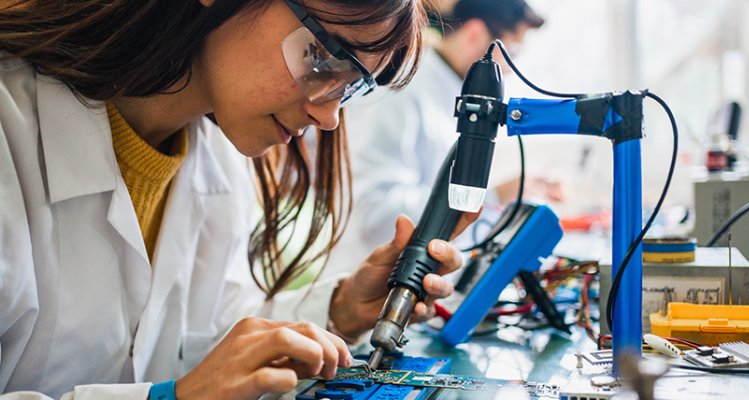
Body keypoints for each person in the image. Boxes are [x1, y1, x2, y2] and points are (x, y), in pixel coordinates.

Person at [0, 0, 478, 399]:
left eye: (349, 87)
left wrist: (342, 309)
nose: (329, 116)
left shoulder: (217, 167)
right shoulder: (9, 134)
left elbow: (208, 339)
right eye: (327, 58)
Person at [327, 0, 555, 276]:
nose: (508, 70)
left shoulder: (450, 91)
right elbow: (375, 214)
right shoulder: (401, 91)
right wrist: (493, 195)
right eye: (512, 54)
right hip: (364, 283)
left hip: (421, 279)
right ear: (474, 35)